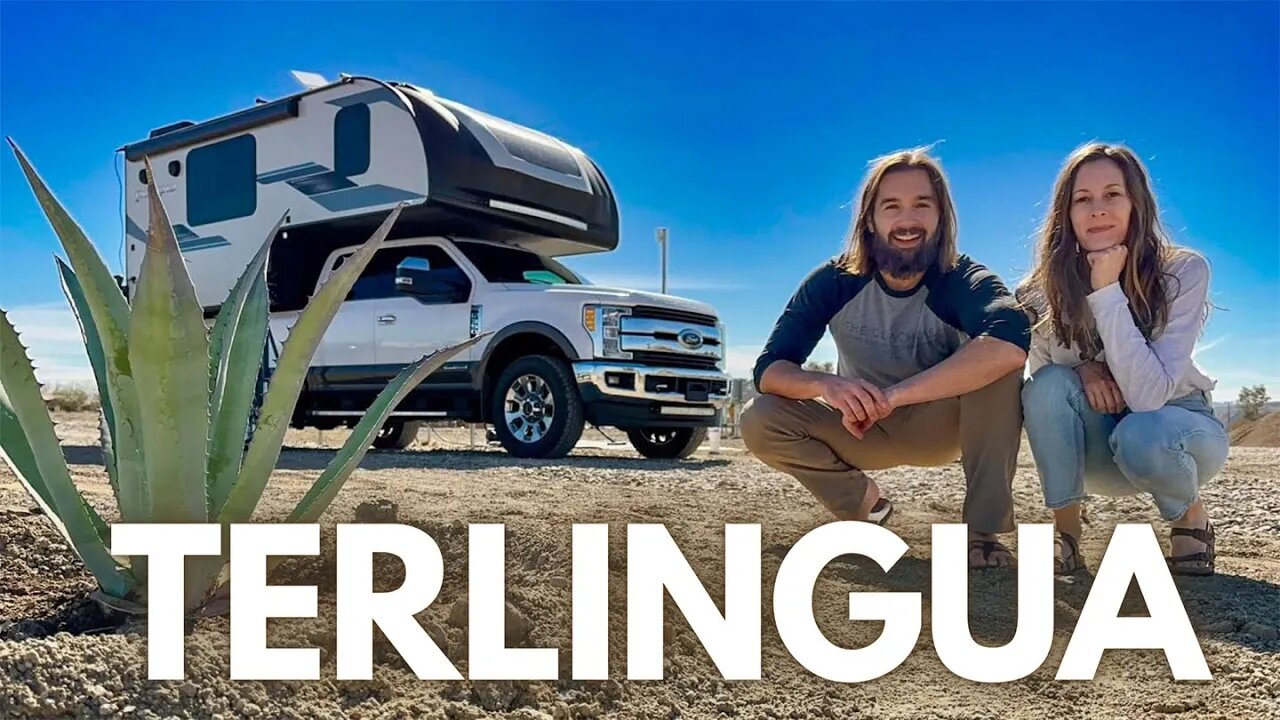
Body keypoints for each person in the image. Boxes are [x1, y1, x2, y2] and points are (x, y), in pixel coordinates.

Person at [740, 147, 1031, 569]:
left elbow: (1011, 338)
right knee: (758, 416)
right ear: (870, 220)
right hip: (861, 427)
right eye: (891, 206)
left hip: (941, 425)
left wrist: (895, 395)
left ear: (941, 216)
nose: (907, 219)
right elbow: (770, 368)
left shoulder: (962, 278)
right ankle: (864, 504)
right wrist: (827, 385)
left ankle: (982, 533)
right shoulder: (834, 281)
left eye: (921, 205)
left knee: (999, 367)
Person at [1017, 142, 1228, 577]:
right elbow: (1045, 394)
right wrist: (1082, 368)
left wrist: (1106, 290)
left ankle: (1191, 517)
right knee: (1047, 385)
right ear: (1066, 214)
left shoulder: (1182, 272)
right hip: (1099, 445)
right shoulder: (1038, 292)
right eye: (1083, 199)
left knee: (1143, 430)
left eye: (1112, 194)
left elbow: (1149, 397)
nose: (1098, 210)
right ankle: (1068, 536)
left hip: (1176, 436)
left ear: (1136, 204)